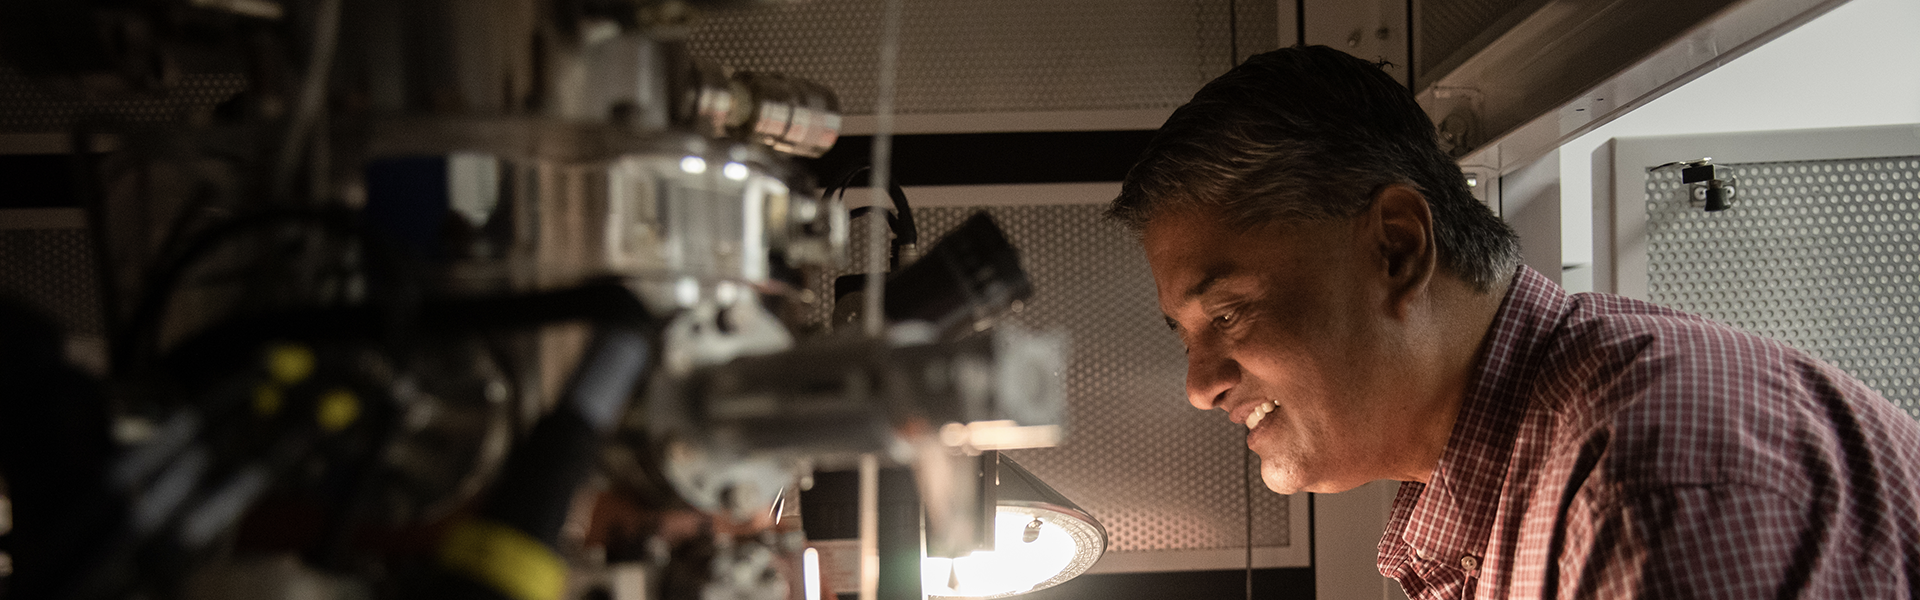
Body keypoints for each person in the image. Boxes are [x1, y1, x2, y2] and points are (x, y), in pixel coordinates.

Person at [1107, 45, 1920, 598]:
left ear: (1397, 249)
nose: (1199, 387)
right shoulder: (1517, 475)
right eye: (1186, 335)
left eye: (1229, 313)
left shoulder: (1639, 486)